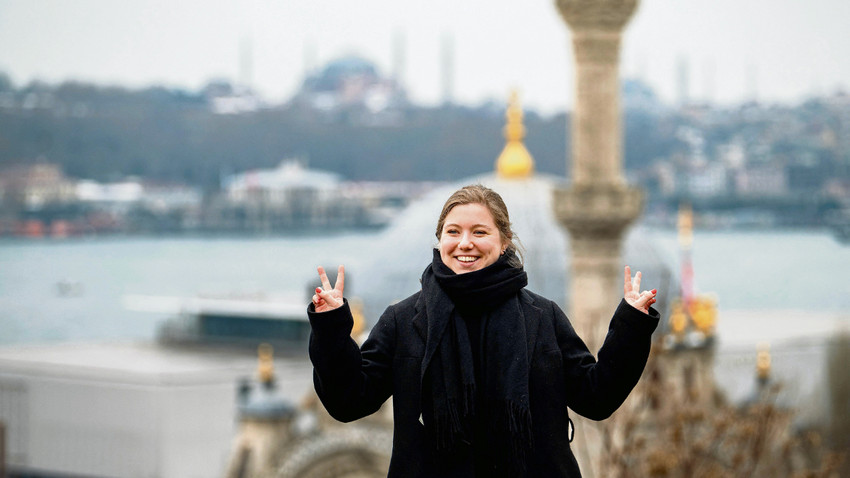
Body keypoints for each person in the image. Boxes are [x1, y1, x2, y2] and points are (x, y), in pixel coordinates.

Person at [308, 184, 660, 477]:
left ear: (504, 241)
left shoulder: (542, 317)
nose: (465, 243)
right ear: (439, 240)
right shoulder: (405, 321)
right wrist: (331, 325)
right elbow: (349, 400)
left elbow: (596, 397)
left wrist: (631, 323)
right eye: (453, 232)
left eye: (480, 232)